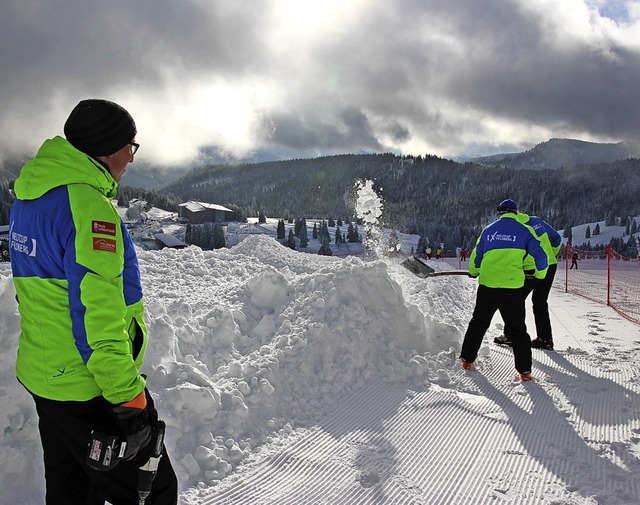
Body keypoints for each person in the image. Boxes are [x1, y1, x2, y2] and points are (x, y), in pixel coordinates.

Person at [9, 99, 178, 504]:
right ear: (107, 147)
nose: (131, 159)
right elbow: (96, 315)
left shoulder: (31, 196)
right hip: (90, 388)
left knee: (72, 490)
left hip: (47, 378)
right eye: (130, 147)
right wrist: (128, 399)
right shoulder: (87, 208)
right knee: (153, 491)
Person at [459, 199, 548, 381]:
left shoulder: (489, 230)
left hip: (488, 286)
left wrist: (473, 272)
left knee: (478, 323)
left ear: (499, 213)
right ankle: (524, 371)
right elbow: (541, 257)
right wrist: (540, 276)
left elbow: (477, 255)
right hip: (512, 288)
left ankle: (467, 360)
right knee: (517, 330)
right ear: (515, 213)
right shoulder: (525, 231)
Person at [494, 213, 562, 350]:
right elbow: (556, 238)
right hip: (550, 265)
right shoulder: (536, 220)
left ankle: (511, 336)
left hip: (531, 268)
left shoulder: (514, 227)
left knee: (515, 299)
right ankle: (545, 339)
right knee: (540, 301)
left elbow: (513, 251)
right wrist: (550, 255)